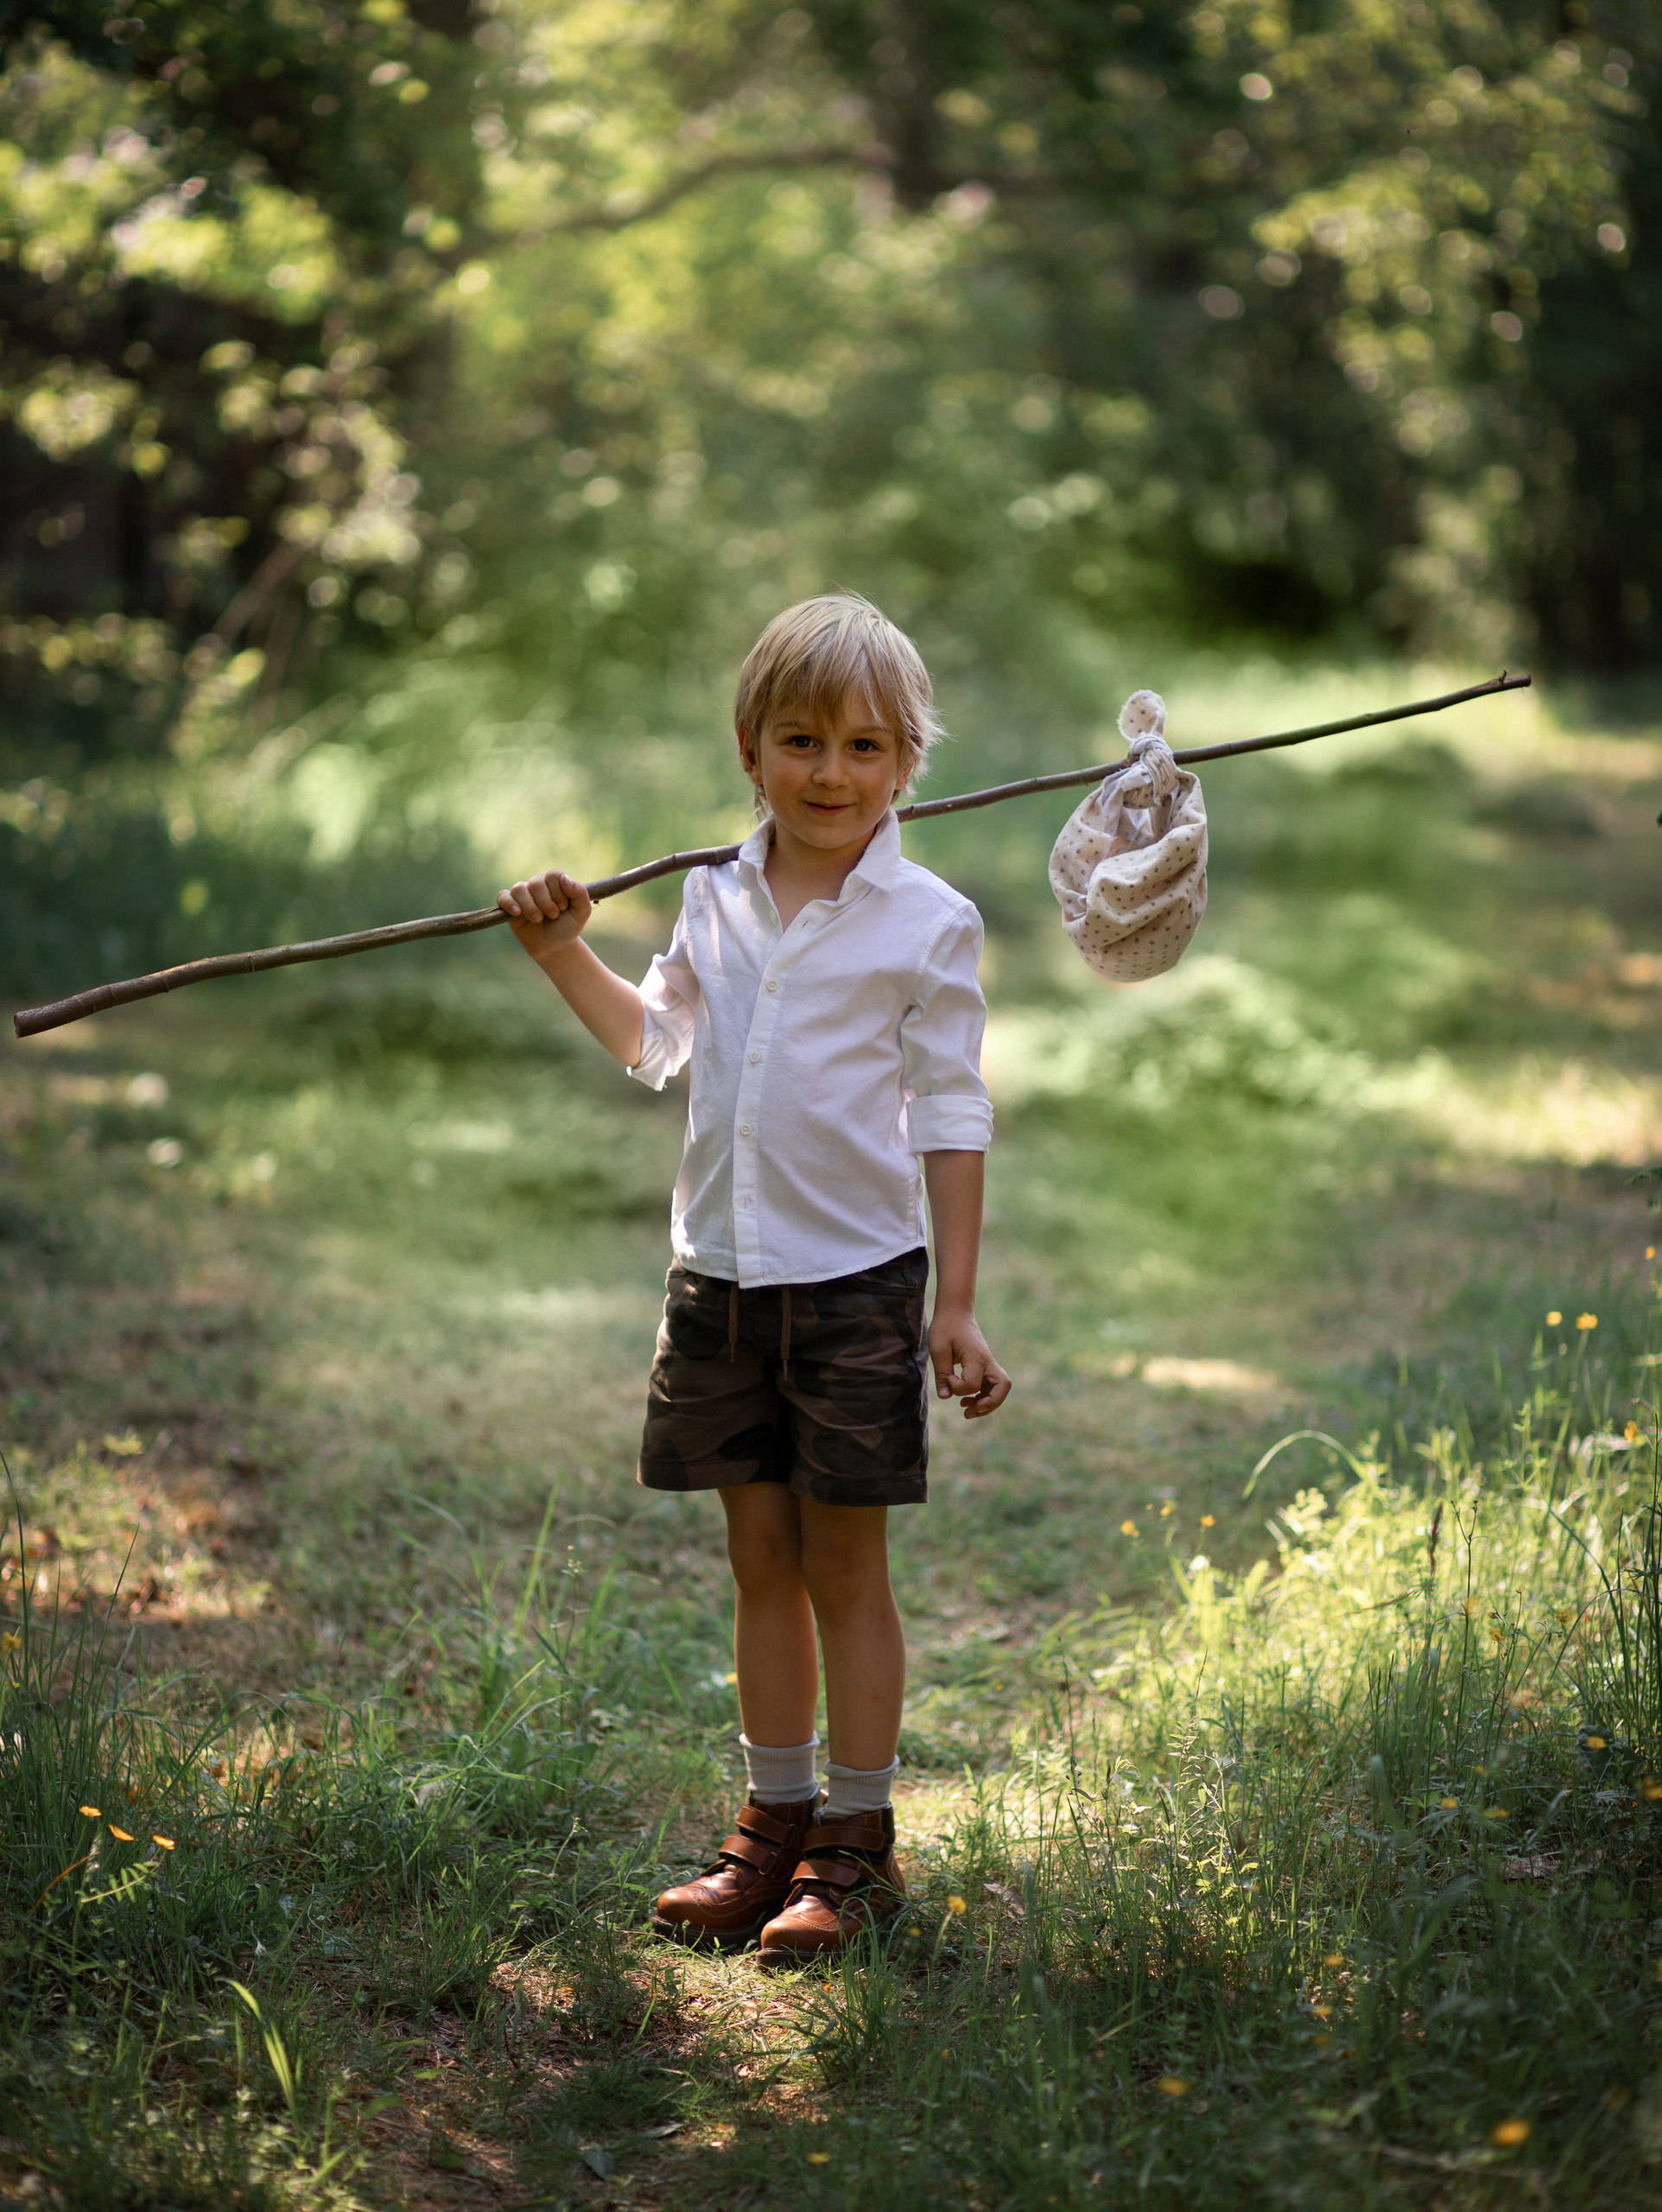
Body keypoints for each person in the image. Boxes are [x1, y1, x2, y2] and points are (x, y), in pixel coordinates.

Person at [498, 593, 1012, 1966]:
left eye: (864, 747)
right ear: (750, 750)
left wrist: (954, 1303)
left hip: (855, 1288)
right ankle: (771, 1826)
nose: (830, 774)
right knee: (759, 1557)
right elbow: (655, 1043)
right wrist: (559, 950)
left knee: (846, 1563)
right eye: (801, 742)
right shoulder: (711, 896)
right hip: (720, 1284)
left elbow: (953, 1111)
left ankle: (857, 1844)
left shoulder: (928, 919)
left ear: (907, 765)